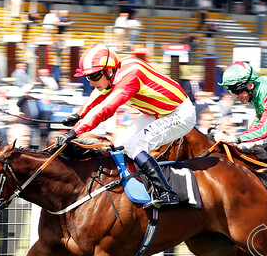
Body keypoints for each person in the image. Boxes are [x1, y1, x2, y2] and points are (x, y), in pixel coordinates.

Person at [58, 44, 195, 209]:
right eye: (88, 78)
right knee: (122, 142)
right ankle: (136, 184)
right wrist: (79, 114)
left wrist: (76, 131)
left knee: (135, 145)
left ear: (108, 71)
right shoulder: (114, 73)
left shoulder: (130, 77)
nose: (91, 82)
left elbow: (107, 108)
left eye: (93, 76)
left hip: (180, 114)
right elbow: (99, 93)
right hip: (158, 112)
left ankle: (167, 192)